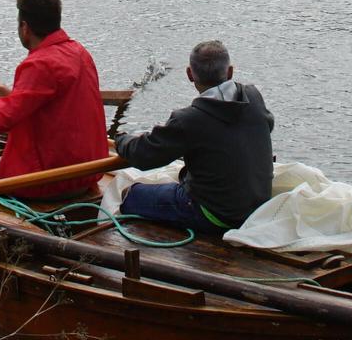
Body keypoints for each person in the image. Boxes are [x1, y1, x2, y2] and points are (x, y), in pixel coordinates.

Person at [0, 0, 108, 198]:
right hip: (88, 171)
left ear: (25, 27)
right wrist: (11, 96)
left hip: (54, 179)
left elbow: (1, 119)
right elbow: (52, 104)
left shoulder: (39, 63)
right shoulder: (79, 52)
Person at [117, 40, 274, 236]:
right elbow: (268, 125)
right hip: (257, 206)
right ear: (230, 72)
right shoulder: (253, 96)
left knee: (129, 195)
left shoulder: (189, 120)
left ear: (190, 74)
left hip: (216, 216)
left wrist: (120, 140)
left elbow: (144, 155)